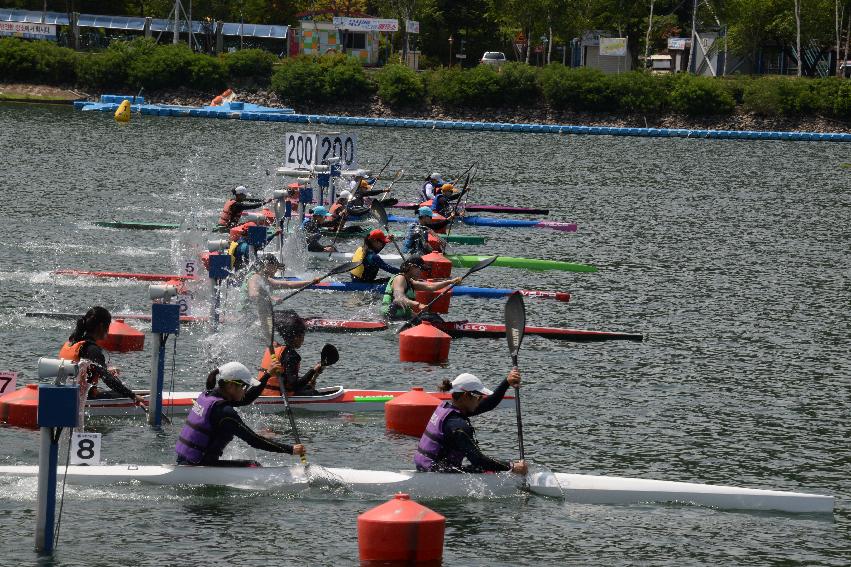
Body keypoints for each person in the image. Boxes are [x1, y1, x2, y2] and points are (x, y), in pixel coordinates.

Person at [175, 361, 306, 467]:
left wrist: (267, 375)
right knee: (254, 466)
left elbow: (246, 399)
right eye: (244, 387)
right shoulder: (224, 413)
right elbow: (255, 441)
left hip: (184, 460)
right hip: (200, 465)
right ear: (231, 386)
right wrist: (291, 449)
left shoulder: (208, 396)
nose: (245, 392)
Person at [414, 370, 526, 475]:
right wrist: (512, 466)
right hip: (438, 475)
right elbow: (478, 460)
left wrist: (507, 382)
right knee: (488, 469)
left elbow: (489, 404)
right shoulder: (457, 425)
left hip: (426, 469)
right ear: (465, 396)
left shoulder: (448, 409)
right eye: (479, 397)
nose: (481, 400)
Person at [58, 306, 145, 404]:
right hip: (85, 399)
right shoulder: (92, 349)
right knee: (123, 393)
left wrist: (104, 370)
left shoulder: (72, 343)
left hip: (67, 395)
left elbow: (80, 371)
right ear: (101, 326)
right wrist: (132, 396)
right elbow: (108, 380)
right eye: (108, 325)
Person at [243, 255, 321, 339]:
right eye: (276, 266)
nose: (276, 270)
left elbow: (288, 284)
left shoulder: (265, 279)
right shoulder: (255, 277)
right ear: (268, 266)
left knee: (290, 314)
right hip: (247, 317)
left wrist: (311, 282)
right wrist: (272, 298)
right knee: (290, 318)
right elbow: (253, 294)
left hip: (256, 315)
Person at [257, 310, 324, 397]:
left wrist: (312, 379)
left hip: (260, 392)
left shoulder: (273, 348)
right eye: (302, 336)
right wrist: (313, 370)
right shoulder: (291, 355)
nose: (303, 339)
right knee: (314, 393)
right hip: (276, 396)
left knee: (308, 388)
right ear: (296, 337)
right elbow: (295, 386)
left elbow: (290, 380)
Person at [382, 257, 460, 321]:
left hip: (403, 317)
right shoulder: (400, 278)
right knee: (432, 318)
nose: (421, 272)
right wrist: (418, 304)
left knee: (433, 317)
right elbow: (399, 298)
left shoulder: (410, 281)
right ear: (411, 267)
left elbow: (431, 287)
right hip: (391, 317)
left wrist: (451, 282)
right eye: (420, 269)